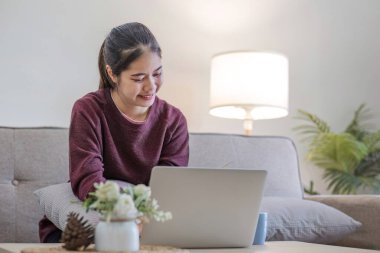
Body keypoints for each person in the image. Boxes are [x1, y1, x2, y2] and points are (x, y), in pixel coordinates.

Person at [39, 22, 190, 243]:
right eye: (138, 78)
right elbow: (88, 181)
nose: (151, 86)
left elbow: (169, 189)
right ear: (112, 73)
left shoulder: (173, 121)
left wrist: (144, 221)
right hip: (81, 232)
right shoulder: (89, 110)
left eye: (157, 73)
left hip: (144, 229)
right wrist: (128, 214)